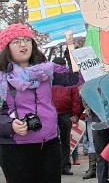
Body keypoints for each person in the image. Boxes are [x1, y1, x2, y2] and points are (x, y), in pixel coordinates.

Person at [0, 23, 82, 183]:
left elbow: (76, 79)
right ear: (6, 48)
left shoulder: (47, 70)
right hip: (15, 147)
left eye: (27, 40)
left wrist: (71, 50)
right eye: (16, 41)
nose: (23, 44)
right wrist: (10, 125)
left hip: (49, 144)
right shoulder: (2, 78)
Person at [51, 55, 81, 175]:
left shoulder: (70, 80)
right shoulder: (48, 79)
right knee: (51, 141)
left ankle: (65, 167)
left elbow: (75, 99)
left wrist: (75, 114)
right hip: (51, 114)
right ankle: (53, 167)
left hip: (65, 113)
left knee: (65, 141)